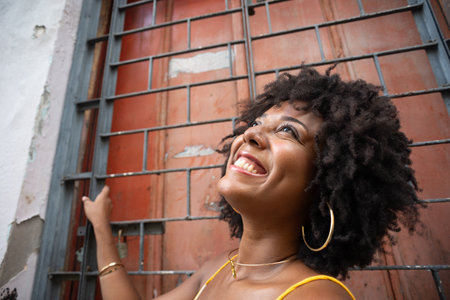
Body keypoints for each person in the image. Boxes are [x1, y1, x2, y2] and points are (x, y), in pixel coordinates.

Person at [82, 66, 420, 299]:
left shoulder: (314, 295)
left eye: (288, 130)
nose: (251, 134)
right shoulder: (219, 269)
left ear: (327, 184)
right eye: (257, 123)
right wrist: (100, 226)